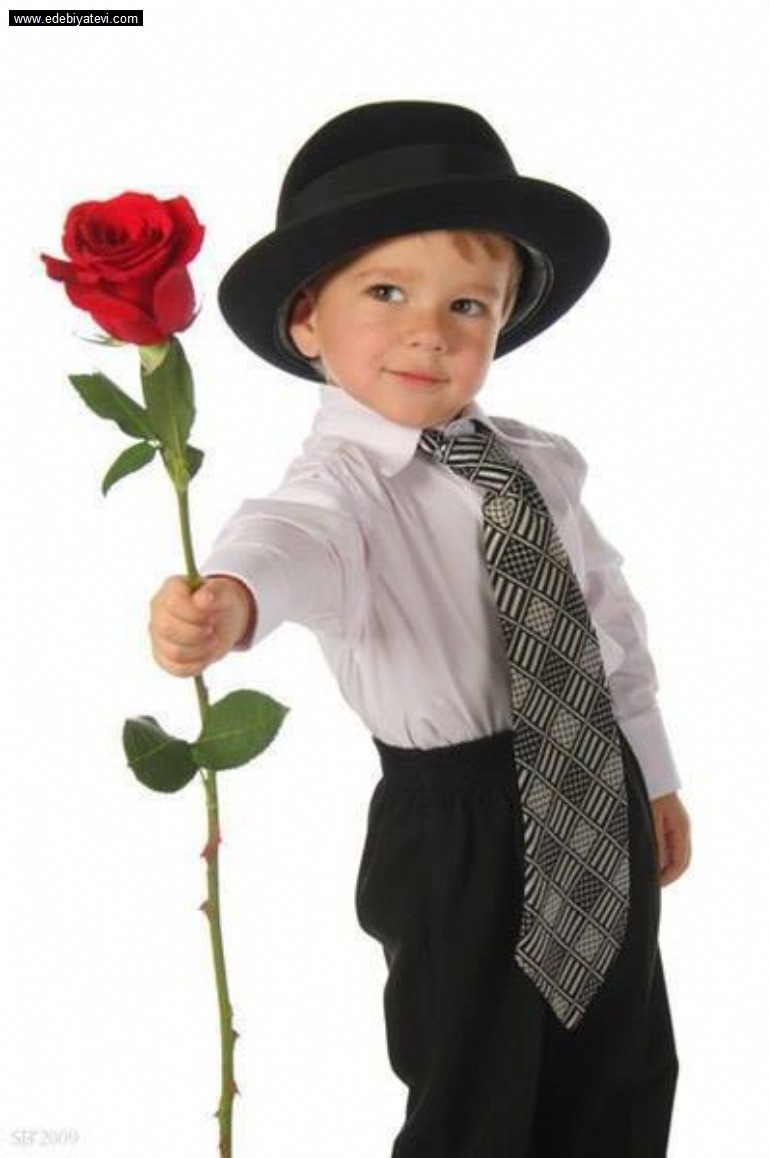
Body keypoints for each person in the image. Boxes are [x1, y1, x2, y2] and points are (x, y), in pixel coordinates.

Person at [149, 100, 690, 1155]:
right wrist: (230, 598)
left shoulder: (536, 464)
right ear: (307, 319)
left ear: (502, 323)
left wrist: (653, 772)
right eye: (386, 292)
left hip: (593, 780)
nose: (428, 331)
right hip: (459, 826)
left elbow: (606, 617)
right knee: (474, 1089)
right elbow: (287, 541)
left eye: (467, 306)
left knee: (618, 1064)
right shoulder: (344, 488)